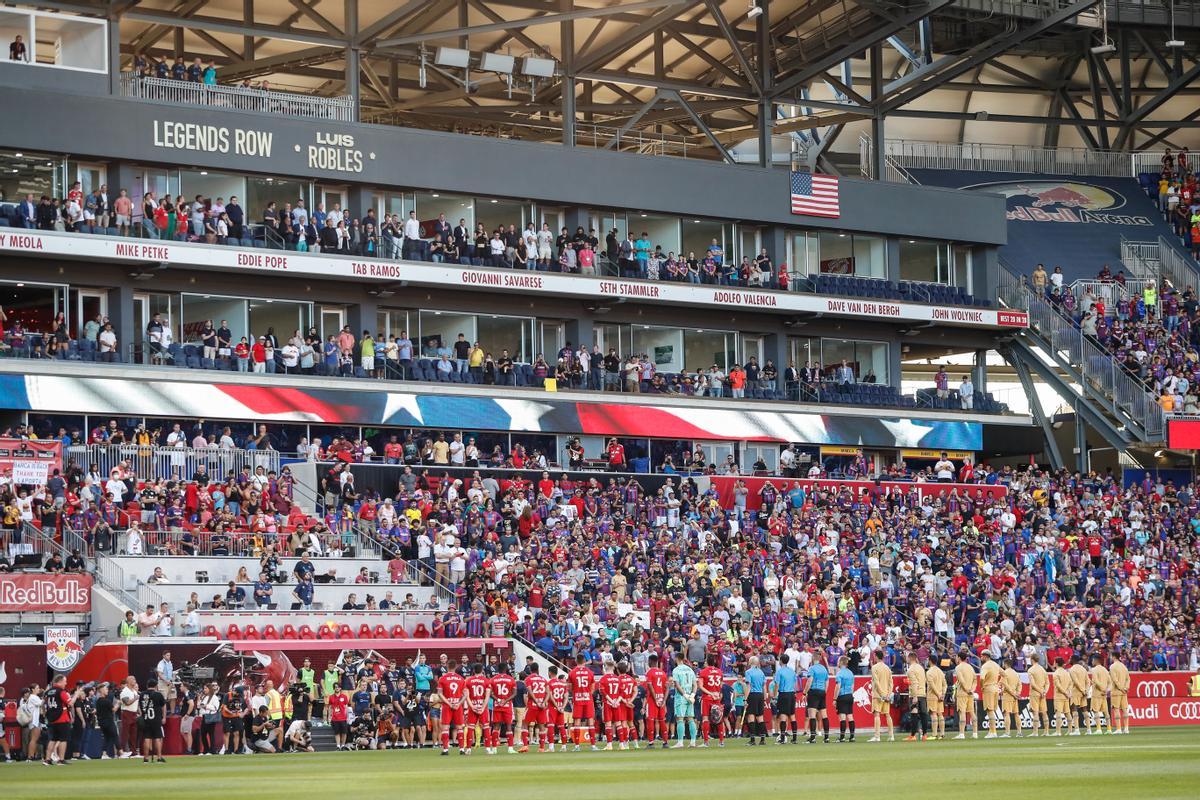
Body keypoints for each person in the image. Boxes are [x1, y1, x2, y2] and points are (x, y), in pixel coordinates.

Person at [42, 675, 72, 766]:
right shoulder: (61, 692)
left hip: (52, 719)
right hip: (62, 719)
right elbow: (70, 703)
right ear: (60, 681)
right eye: (65, 681)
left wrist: (45, 714)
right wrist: (77, 694)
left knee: (52, 739)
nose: (66, 683)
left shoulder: (48, 692)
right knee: (63, 739)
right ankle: (61, 760)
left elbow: (42, 704)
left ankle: (47, 759)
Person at [669, 651, 697, 748]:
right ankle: (693, 741)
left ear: (677, 658)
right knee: (690, 718)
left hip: (681, 697)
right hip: (690, 696)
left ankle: (680, 742)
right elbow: (695, 684)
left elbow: (677, 685)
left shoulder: (676, 670)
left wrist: (684, 695)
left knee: (680, 719)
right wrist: (692, 695)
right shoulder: (690, 669)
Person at [437, 664, 466, 755]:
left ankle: (445, 750)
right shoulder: (461, 678)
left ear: (447, 667)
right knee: (459, 727)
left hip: (447, 705)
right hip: (458, 705)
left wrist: (449, 703)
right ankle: (462, 749)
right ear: (455, 667)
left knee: (445, 727)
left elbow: (440, 694)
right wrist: (458, 703)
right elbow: (465, 694)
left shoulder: (442, 678)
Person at [802, 650, 830, 744]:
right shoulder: (824, 668)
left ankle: (812, 737)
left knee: (812, 715)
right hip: (822, 691)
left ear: (813, 658)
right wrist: (825, 691)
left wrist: (804, 692)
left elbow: (809, 680)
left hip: (814, 691)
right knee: (824, 715)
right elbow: (827, 681)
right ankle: (826, 737)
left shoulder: (812, 668)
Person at [642, 653, 669, 748]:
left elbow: (650, 686)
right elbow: (667, 687)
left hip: (652, 700)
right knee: (662, 720)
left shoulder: (649, 673)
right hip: (662, 699)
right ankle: (665, 742)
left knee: (650, 720)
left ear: (650, 661)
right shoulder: (663, 673)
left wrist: (655, 699)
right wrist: (664, 700)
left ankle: (651, 743)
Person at [698, 654, 725, 747]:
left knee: (705, 719)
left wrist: (710, 693)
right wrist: (716, 693)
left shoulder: (703, 672)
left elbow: (700, 686)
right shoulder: (719, 671)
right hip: (716, 697)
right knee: (719, 719)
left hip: (707, 698)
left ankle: (706, 742)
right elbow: (721, 685)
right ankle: (721, 742)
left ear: (707, 662)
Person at [868, 649, 894, 742]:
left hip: (878, 695)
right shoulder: (887, 668)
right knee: (887, 714)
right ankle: (891, 735)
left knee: (877, 714)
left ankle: (877, 736)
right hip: (886, 694)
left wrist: (882, 694)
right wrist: (888, 694)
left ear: (876, 656)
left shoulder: (874, 667)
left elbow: (876, 682)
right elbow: (891, 682)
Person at [139, 677, 167, 763]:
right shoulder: (158, 694)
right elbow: (163, 706)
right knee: (157, 738)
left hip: (146, 719)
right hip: (156, 719)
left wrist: (142, 715)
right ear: (156, 686)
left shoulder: (142, 695)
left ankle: (146, 758)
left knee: (147, 738)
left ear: (147, 686)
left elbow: (140, 706)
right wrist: (164, 717)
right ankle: (159, 757)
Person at [953, 650, 979, 740]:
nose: (956, 658)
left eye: (956, 657)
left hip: (962, 693)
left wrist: (967, 689)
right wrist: (972, 689)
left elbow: (961, 679)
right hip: (970, 693)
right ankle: (975, 733)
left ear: (959, 658)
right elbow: (975, 680)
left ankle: (961, 734)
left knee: (962, 712)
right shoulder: (970, 667)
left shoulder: (958, 667)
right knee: (972, 712)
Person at [743, 655, 767, 745]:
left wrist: (745, 699)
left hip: (752, 695)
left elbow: (748, 686)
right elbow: (764, 686)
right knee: (760, 717)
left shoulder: (748, 672)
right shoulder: (761, 672)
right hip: (760, 695)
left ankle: (752, 739)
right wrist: (764, 698)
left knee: (751, 717)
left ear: (750, 662)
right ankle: (763, 739)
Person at [833, 655, 856, 742]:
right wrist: (851, 694)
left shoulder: (839, 673)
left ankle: (842, 737)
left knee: (842, 716)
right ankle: (852, 736)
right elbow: (853, 686)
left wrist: (835, 698)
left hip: (842, 696)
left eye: (838, 661)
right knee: (850, 716)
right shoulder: (850, 672)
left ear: (841, 662)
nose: (837, 662)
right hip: (850, 695)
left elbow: (838, 687)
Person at [924, 655, 947, 741]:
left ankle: (934, 734)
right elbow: (945, 684)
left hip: (932, 695)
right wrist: (942, 694)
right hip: (940, 695)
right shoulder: (940, 671)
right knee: (940, 714)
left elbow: (932, 685)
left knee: (933, 714)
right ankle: (942, 733)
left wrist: (938, 694)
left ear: (930, 661)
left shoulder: (929, 672)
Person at [979, 651, 1001, 738]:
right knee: (992, 710)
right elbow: (1004, 674)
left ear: (985, 656)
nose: (981, 658)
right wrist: (998, 683)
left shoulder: (985, 666)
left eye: (981, 656)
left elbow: (981, 678)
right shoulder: (995, 664)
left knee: (990, 710)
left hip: (988, 688)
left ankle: (993, 732)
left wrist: (982, 686)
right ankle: (991, 731)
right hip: (995, 688)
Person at [1026, 656, 1050, 737]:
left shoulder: (1031, 670)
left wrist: (1040, 691)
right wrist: (1044, 692)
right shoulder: (1043, 669)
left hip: (1035, 693)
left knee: (1035, 713)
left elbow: (1032, 684)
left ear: (1032, 660)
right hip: (1042, 694)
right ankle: (1046, 732)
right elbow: (1047, 683)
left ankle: (1035, 732)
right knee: (1044, 713)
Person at [1109, 654, 1130, 735]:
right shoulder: (1124, 666)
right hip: (1123, 692)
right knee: (1124, 709)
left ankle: (1118, 728)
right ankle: (1126, 728)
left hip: (1116, 691)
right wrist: (1126, 688)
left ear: (1114, 657)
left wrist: (1121, 688)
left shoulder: (1112, 667)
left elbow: (1115, 680)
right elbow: (1128, 679)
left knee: (1116, 709)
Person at [1001, 658, 1022, 738]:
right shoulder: (1016, 673)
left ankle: (1007, 732)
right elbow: (1020, 684)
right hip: (1014, 697)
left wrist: (1013, 694)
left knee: (1006, 713)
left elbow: (1005, 685)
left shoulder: (1004, 673)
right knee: (1016, 714)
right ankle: (1019, 732)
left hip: (1008, 695)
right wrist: (1017, 693)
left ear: (1005, 664)